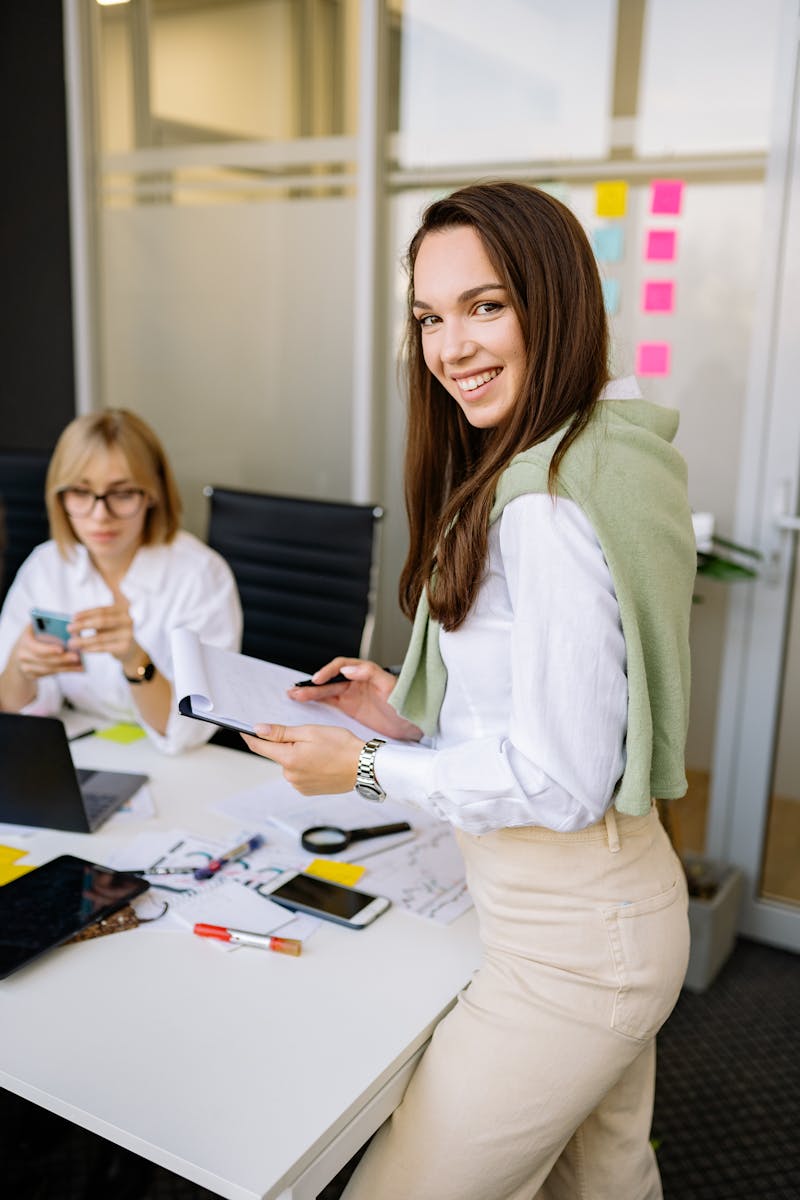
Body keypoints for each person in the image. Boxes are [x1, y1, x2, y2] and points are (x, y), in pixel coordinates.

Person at [243, 181, 696, 1199]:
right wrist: (400, 717)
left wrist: (364, 766)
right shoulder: (602, 448)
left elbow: (562, 777)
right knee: (601, 1181)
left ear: (555, 299)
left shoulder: (541, 506)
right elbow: (554, 715)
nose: (450, 348)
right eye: (429, 318)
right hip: (604, 907)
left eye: (485, 306)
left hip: (575, 948)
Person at [0, 409, 242, 753]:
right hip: (83, 748)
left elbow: (189, 731)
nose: (100, 515)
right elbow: (12, 709)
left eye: (122, 493)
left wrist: (135, 660)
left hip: (181, 761)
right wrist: (20, 670)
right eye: (81, 493)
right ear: (60, 497)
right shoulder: (46, 565)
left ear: (152, 494)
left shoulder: (201, 575)